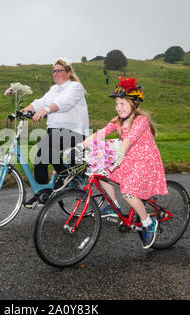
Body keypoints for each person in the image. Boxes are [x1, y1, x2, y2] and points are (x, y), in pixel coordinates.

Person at [81, 77, 168, 249]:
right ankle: (114, 205)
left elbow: (128, 141)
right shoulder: (118, 120)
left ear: (134, 104)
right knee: (101, 170)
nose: (118, 108)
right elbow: (100, 133)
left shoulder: (140, 121)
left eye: (122, 104)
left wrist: (118, 154)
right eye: (116, 104)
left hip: (145, 161)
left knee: (128, 191)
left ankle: (148, 222)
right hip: (129, 159)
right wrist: (79, 146)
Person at [21, 58, 90, 208]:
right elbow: (40, 102)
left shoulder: (75, 87)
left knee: (44, 150)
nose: (55, 73)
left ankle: (58, 181)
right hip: (55, 131)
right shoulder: (54, 89)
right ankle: (44, 193)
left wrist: (45, 110)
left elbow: (64, 103)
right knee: (40, 157)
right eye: (53, 70)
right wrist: (25, 110)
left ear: (69, 72)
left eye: (59, 70)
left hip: (75, 131)